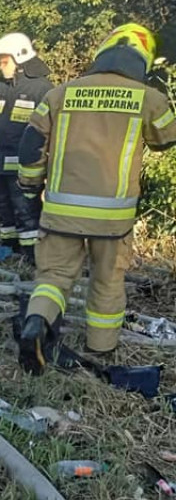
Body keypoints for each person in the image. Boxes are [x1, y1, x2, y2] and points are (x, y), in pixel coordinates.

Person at [16, 23, 176, 375]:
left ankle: (36, 324)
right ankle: (100, 349)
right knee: (107, 280)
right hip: (113, 219)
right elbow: (166, 140)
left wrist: (29, 188)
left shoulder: (59, 94)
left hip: (60, 213)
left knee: (54, 277)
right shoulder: (149, 98)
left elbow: (30, 147)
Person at [0, 33, 54, 262]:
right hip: (0, 162)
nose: (0, 66)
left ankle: (33, 254)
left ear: (19, 58)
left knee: (26, 208)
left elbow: (48, 129)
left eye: (4, 61)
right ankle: (10, 247)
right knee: (1, 203)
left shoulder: (42, 88)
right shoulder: (2, 87)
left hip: (25, 165)